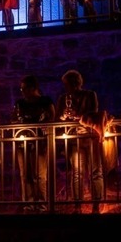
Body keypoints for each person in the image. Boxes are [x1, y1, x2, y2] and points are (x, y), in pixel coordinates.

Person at [56, 69, 101, 214]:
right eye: (65, 85)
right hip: (75, 138)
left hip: (91, 137)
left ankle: (96, 205)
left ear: (76, 83)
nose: (66, 88)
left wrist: (77, 116)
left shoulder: (90, 95)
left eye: (68, 84)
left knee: (95, 171)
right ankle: (77, 206)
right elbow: (57, 117)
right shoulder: (63, 98)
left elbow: (94, 113)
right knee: (77, 173)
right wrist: (63, 117)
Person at [11, 75, 55, 213]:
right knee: (25, 174)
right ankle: (28, 204)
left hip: (40, 141)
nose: (22, 91)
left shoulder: (45, 101)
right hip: (23, 142)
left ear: (33, 88)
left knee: (39, 175)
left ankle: (42, 204)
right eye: (21, 89)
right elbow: (14, 119)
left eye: (24, 88)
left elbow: (52, 118)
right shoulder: (20, 103)